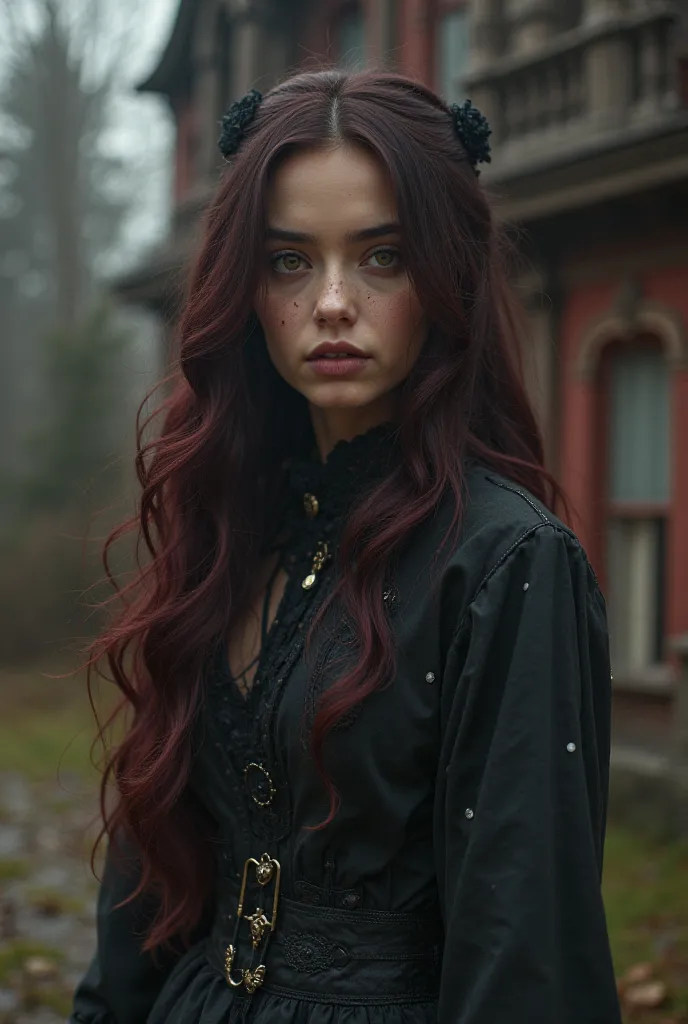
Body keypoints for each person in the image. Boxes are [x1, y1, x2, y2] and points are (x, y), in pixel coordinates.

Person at [69, 68, 622, 1024]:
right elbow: (146, 907)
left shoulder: (506, 565)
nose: (331, 302)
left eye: (381, 257)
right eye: (289, 262)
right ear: (244, 289)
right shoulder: (231, 534)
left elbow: (526, 957)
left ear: (445, 274)